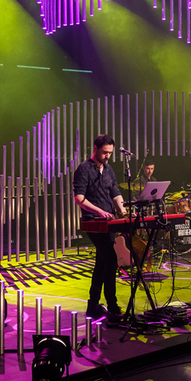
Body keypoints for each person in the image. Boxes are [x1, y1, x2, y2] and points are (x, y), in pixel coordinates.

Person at [73, 134, 127, 322]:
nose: (107, 156)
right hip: (93, 221)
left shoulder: (109, 169)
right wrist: (101, 211)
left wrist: (123, 209)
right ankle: (111, 304)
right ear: (95, 149)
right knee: (111, 259)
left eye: (110, 153)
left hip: (108, 222)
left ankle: (93, 304)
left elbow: (115, 192)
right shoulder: (83, 169)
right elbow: (79, 199)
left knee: (103, 262)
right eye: (104, 153)